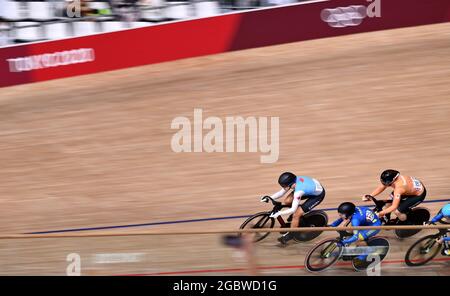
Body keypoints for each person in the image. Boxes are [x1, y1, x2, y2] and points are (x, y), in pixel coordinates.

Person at [261, 172, 325, 245]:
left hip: (317, 196)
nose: (283, 187)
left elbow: (293, 210)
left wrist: (280, 213)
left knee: (296, 214)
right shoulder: (293, 181)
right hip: (309, 189)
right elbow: (281, 192)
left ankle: (291, 234)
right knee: (287, 201)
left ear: (291, 184)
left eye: (284, 186)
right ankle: (298, 209)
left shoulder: (299, 191)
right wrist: (270, 197)